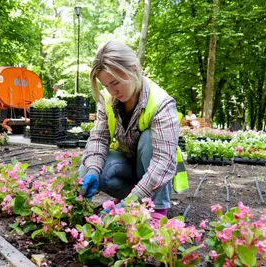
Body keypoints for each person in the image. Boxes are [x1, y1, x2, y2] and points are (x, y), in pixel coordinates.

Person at [79, 40, 188, 220]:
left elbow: (163, 163)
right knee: (90, 171)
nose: (112, 91)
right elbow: (99, 139)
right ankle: (135, 198)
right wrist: (92, 170)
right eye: (106, 86)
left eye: (115, 83)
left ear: (134, 69)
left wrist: (125, 206)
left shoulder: (162, 103)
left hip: (155, 169)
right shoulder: (107, 99)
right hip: (130, 165)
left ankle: (158, 209)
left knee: (148, 139)